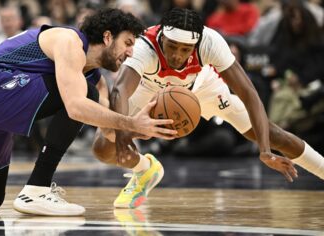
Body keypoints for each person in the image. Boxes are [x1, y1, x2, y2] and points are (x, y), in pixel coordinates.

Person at [0, 8, 177, 216]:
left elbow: (109, 128)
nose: (131, 52)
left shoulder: (94, 78)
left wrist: (143, 155)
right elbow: (77, 107)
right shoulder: (69, 40)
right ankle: (37, 188)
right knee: (81, 97)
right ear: (108, 37)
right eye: (128, 43)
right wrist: (132, 122)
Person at [92, 8, 324, 209]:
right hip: (150, 90)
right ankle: (145, 169)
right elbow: (119, 90)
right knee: (103, 147)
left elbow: (249, 94)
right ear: (162, 37)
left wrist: (263, 149)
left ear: (195, 44)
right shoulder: (145, 45)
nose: (177, 55)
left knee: (273, 135)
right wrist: (123, 137)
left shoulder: (210, 41)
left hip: (202, 88)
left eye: (185, 49)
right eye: (172, 46)